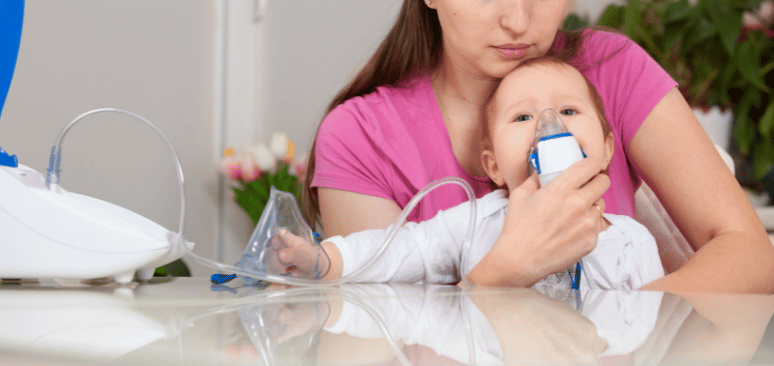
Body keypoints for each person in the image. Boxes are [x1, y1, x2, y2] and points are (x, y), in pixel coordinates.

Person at [304, 0, 774, 292]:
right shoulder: (359, 137)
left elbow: (749, 255)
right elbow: (371, 336)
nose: (519, 20)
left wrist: (627, 327)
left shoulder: (610, 69)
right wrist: (500, 276)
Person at [275, 58, 664, 290]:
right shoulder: (476, 222)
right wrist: (322, 260)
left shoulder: (633, 242)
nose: (549, 125)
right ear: (493, 165)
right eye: (523, 117)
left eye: (569, 111)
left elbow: (651, 332)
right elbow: (397, 251)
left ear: (607, 150)